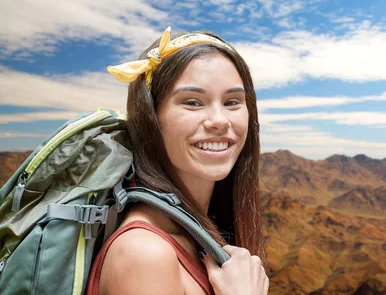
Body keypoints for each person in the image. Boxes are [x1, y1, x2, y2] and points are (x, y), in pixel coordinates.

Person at [86, 27, 268, 295]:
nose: (219, 120)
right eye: (193, 102)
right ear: (151, 118)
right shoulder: (144, 254)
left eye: (232, 101)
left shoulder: (197, 233)